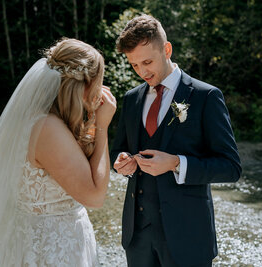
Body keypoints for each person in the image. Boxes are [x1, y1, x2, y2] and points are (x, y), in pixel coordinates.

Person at [0, 38, 116, 266]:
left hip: (34, 240)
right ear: (85, 84)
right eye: (99, 82)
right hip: (55, 250)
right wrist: (102, 126)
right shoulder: (48, 130)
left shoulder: (35, 120)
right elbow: (94, 197)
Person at [110, 14, 241, 267]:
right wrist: (121, 161)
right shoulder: (131, 99)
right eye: (134, 65)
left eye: (147, 61)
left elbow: (231, 167)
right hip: (138, 236)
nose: (142, 72)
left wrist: (176, 163)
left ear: (167, 49)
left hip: (188, 236)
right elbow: (118, 149)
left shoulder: (206, 96)